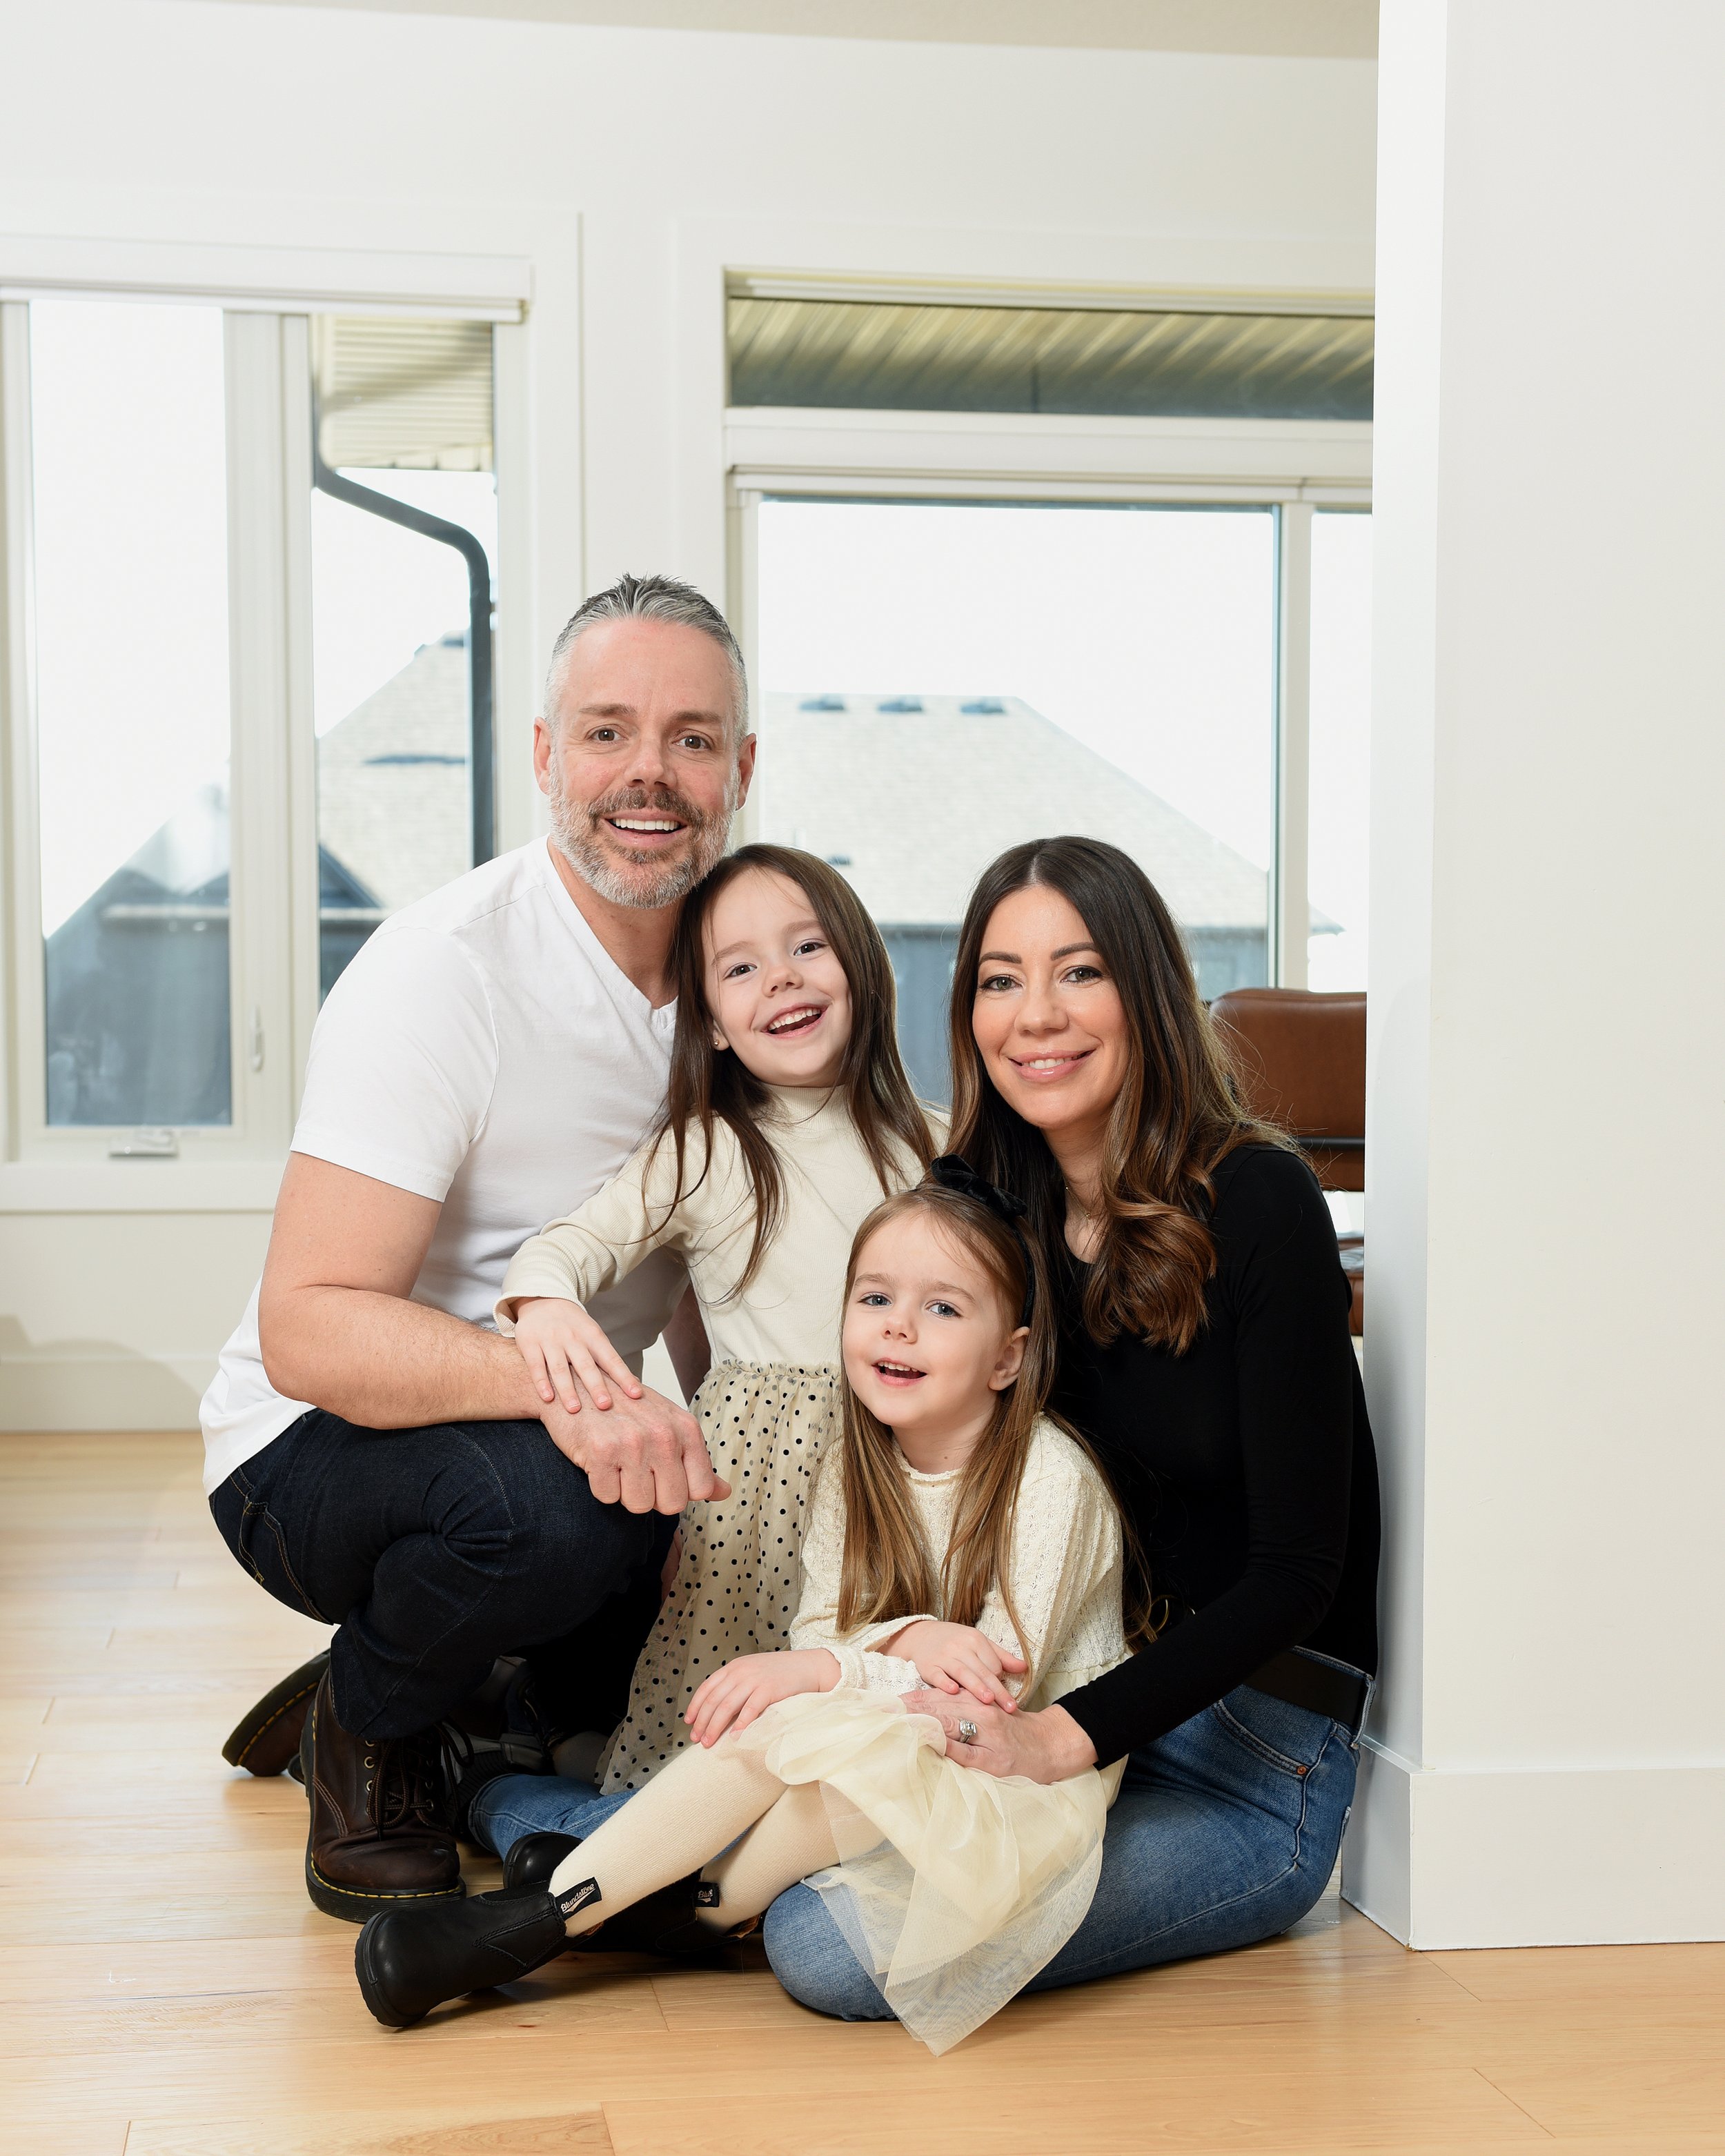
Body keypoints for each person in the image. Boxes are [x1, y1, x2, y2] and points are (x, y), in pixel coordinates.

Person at [202, 573, 753, 1922]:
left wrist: (745, 1474)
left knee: (724, 1571)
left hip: (536, 1426)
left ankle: (465, 1671)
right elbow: (311, 1325)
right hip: (306, 1446)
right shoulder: (444, 970)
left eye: (691, 737)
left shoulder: (745, 970)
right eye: (608, 728)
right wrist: (598, 1399)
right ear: (544, 754)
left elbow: (719, 1253)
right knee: (552, 1513)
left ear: (740, 767)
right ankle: (368, 1718)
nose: (650, 772)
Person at [761, 835, 1381, 2015]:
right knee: (780, 1828)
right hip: (1070, 1686)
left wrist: (1060, 1740)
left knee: (821, 1945)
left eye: (1078, 971)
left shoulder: (1259, 1199)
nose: (1034, 1015)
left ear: (1145, 990)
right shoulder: (995, 1215)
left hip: (1252, 1759)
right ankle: (537, 1835)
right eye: (1000, 979)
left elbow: (1300, 1575)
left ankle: (585, 1866)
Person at [353, 1174, 1132, 2053]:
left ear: (1009, 1357)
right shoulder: (855, 1461)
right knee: (801, 1713)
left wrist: (847, 1662)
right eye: (874, 1297)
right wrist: (886, 1645)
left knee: (851, 1736)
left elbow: (992, 1692)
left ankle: (636, 1900)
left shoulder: (1050, 1478)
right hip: (905, 1728)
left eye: (944, 1307)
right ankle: (563, 1912)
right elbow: (823, 1635)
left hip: (1024, 1769)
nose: (898, 1326)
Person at [464, 841, 940, 1830]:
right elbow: (565, 1250)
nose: (783, 979)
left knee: (863, 1714)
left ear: (861, 965)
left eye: (808, 946)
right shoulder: (707, 1149)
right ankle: (524, 1796)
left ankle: (561, 1750)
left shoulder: (940, 1141)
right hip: (759, 1493)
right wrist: (546, 1305)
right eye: (741, 967)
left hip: (908, 1467)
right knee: (715, 1743)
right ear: (713, 1026)